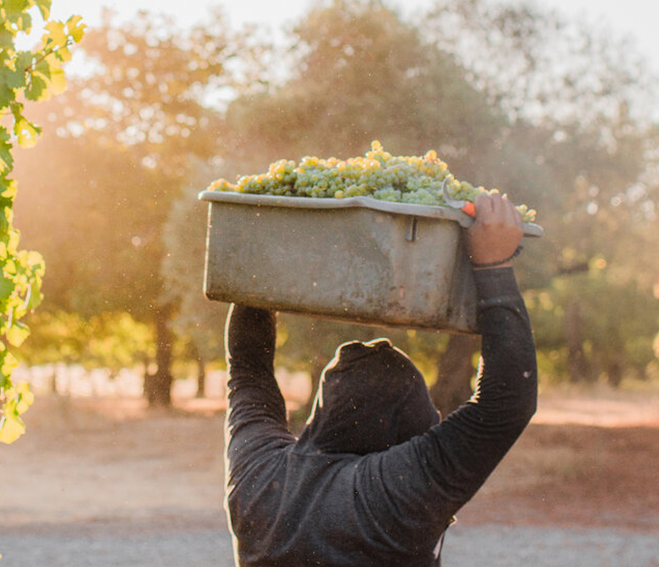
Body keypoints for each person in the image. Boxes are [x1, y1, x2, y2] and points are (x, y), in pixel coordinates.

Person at [223, 192, 537, 566]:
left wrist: (264, 248)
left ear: (322, 417)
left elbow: (247, 367)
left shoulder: (259, 479)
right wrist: (493, 267)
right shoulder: (397, 494)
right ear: (402, 436)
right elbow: (506, 402)